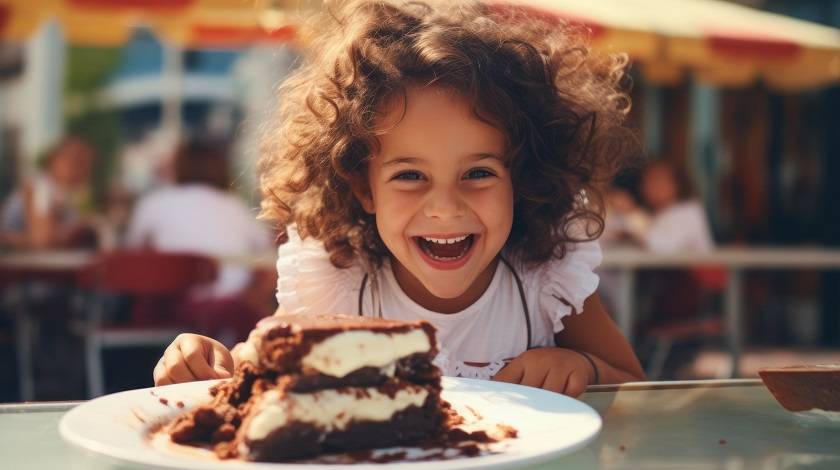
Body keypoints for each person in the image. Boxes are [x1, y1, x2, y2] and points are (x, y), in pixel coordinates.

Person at [153, 0, 644, 396]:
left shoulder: (542, 283)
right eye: (410, 175)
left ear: (523, 177)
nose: (445, 207)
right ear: (364, 188)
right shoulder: (340, 286)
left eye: (478, 172)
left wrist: (579, 365)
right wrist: (203, 359)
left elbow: (634, 382)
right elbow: (256, 369)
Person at [124, 139, 273, 343]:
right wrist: (252, 295)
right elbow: (268, 259)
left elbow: (132, 258)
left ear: (178, 166)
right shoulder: (236, 206)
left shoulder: (154, 203)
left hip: (173, 312)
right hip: (232, 313)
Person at [1, 136, 96, 249]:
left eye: (85, 164)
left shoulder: (62, 196)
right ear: (54, 160)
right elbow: (42, 240)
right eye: (75, 161)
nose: (81, 170)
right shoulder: (41, 187)